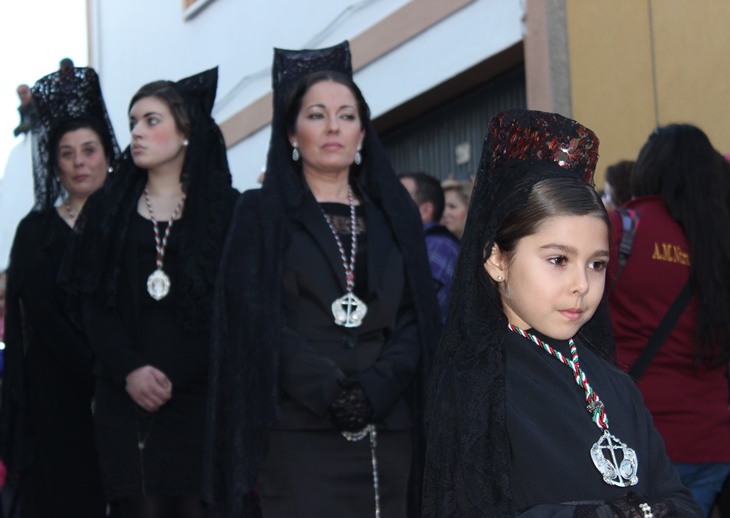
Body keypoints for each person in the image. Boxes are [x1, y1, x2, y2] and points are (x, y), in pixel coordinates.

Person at [422, 109, 702, 517]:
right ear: (497, 259)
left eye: (597, 264)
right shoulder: (475, 383)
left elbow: (677, 495)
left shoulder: (614, 384)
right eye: (558, 260)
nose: (582, 285)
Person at [203, 42, 440, 518]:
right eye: (317, 115)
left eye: (347, 115)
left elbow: (418, 317)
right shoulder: (259, 214)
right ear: (291, 133)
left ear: (362, 133)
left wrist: (375, 388)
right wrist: (329, 391)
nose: (333, 127)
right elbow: (256, 318)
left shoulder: (396, 216)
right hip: (298, 430)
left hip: (390, 429)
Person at [64, 68, 239, 517]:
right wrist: (130, 369)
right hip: (125, 397)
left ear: (185, 132)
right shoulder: (108, 208)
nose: (136, 133)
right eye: (133, 123)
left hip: (200, 396)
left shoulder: (224, 208)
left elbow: (231, 305)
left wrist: (174, 373)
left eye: (151, 120)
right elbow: (92, 302)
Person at [0, 67, 118, 517]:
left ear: (108, 155)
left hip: (127, 387)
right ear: (54, 164)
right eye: (66, 154)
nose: (79, 162)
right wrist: (98, 368)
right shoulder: (35, 232)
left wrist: (119, 368)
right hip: (57, 393)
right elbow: (42, 315)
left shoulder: (130, 225)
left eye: (89, 150)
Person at [608, 125, 730, 517]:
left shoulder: (620, 231)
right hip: (713, 442)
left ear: (648, 168)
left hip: (638, 441)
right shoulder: (721, 242)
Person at [399, 172, 459, 324]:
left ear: (425, 210)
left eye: (399, 196)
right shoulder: (419, 244)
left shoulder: (437, 246)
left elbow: (417, 311)